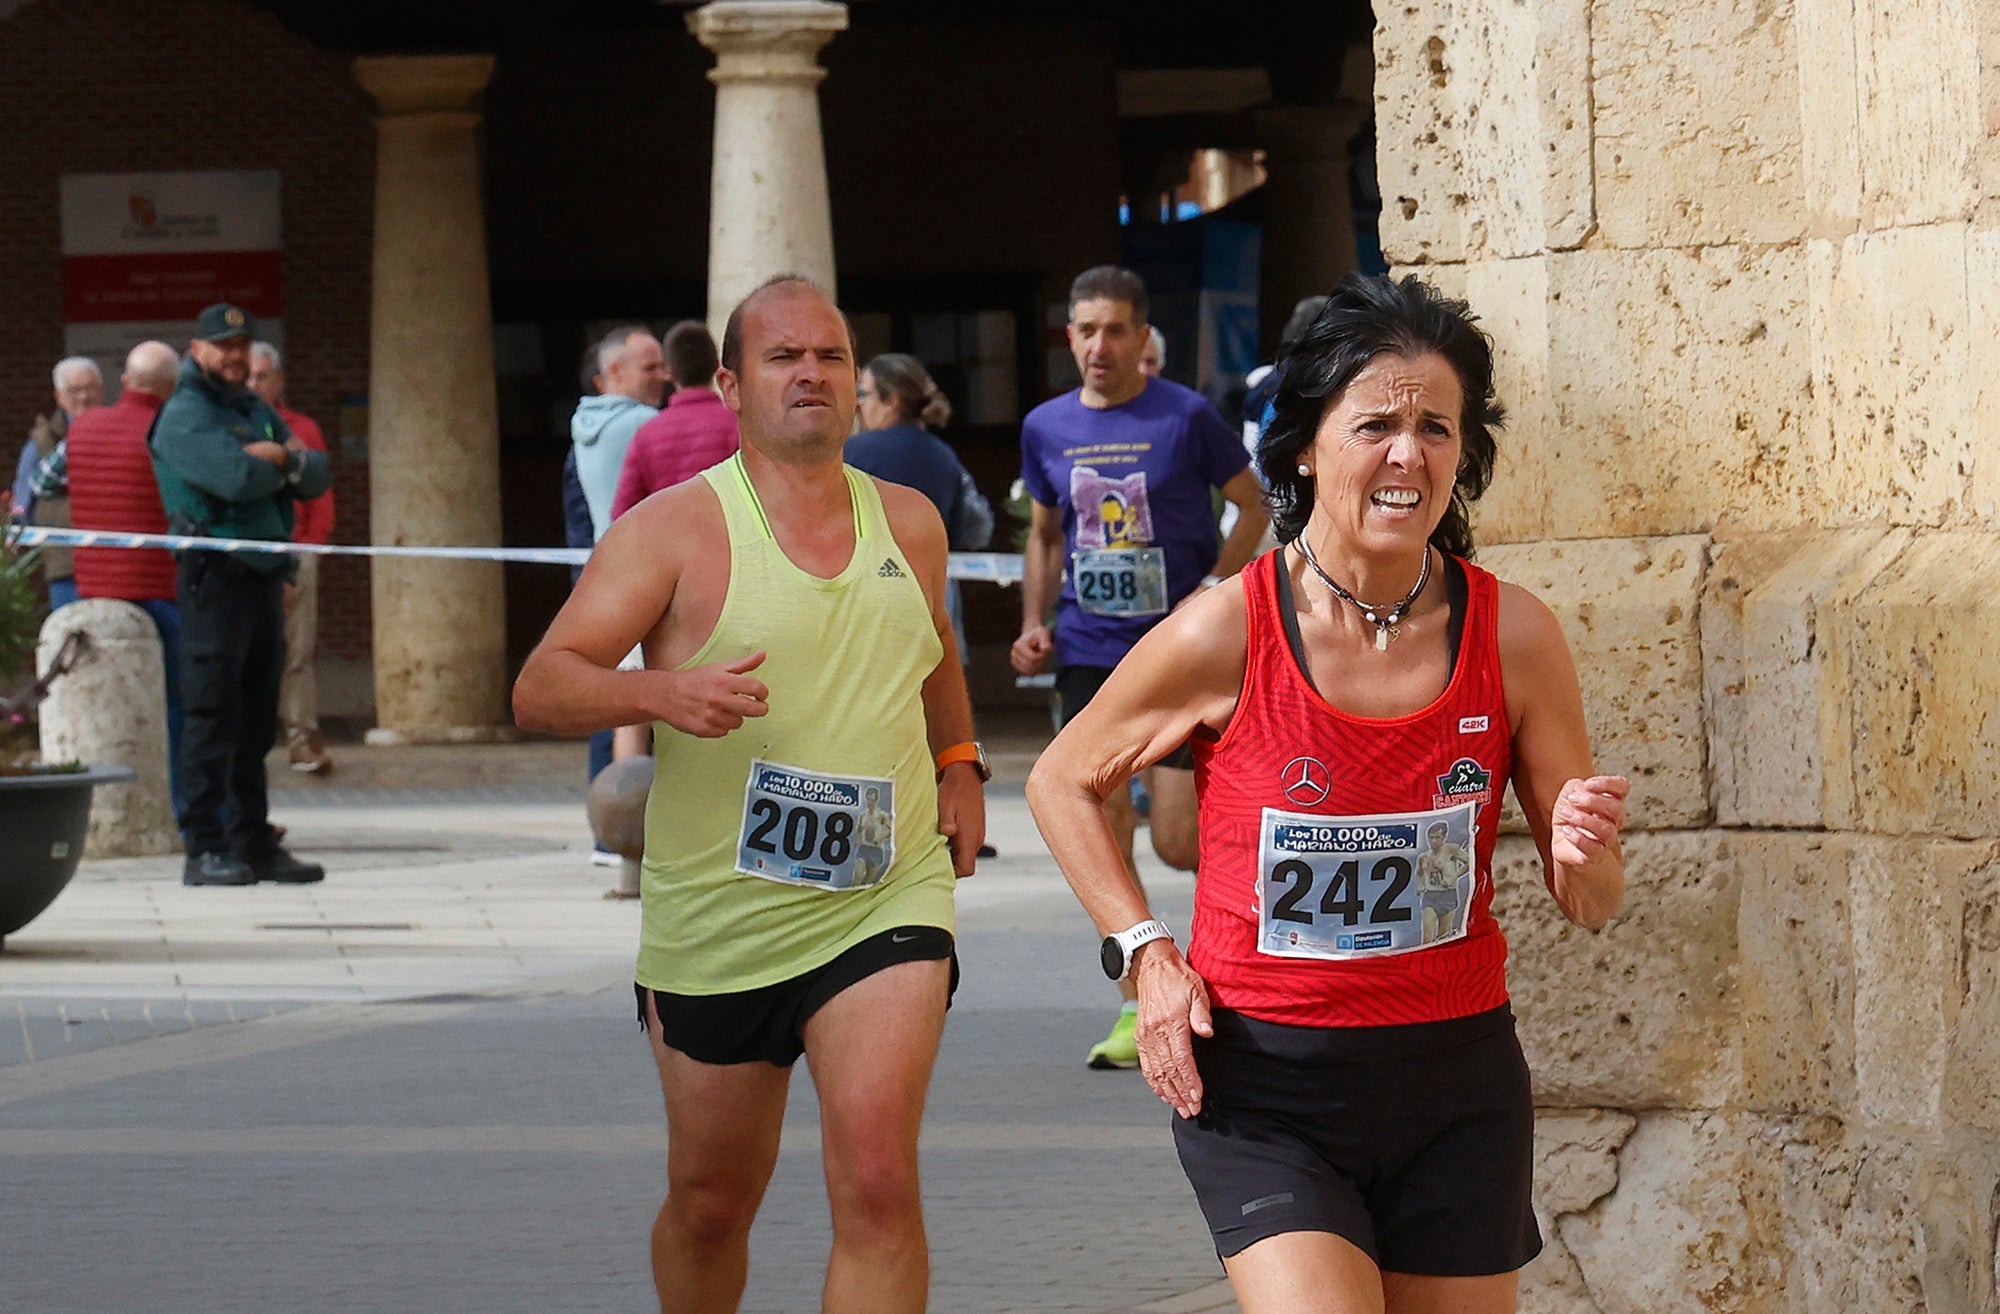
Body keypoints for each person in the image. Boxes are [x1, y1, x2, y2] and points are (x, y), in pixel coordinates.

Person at [1024, 273, 1629, 1314]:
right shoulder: (1230, 628)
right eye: (1375, 425)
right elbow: (1059, 779)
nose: (1407, 453)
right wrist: (1145, 955)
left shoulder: (1514, 634)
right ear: (1304, 445)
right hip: (1266, 1088)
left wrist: (1584, 855)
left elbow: (1592, 902)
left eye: (1435, 428)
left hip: (1457, 1087)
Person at [513, 275, 986, 1314]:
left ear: (858, 381)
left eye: (830, 356)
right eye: (783, 358)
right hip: (718, 913)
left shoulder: (908, 523)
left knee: (875, 1182)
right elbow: (541, 685)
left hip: (884, 891)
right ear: (729, 385)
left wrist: (958, 763)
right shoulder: (670, 530)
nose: (810, 374)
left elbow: (934, 650)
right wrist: (658, 689)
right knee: (711, 1200)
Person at [1011, 264, 1269, 1070]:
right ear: (1070, 337)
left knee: (1179, 840)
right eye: (1085, 329)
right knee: (1097, 814)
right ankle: (1137, 1001)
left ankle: (1218, 971)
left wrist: (1213, 589)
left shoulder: (1186, 416)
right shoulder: (1045, 425)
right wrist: (1032, 622)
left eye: (1115, 329)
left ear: (1141, 336)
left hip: (1180, 655)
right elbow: (1047, 533)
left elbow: (1254, 500)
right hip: (1090, 646)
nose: (1099, 344)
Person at [151, 303, 331, 888]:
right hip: (214, 577)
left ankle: (252, 841)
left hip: (261, 575)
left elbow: (317, 472)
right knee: (210, 713)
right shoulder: (184, 414)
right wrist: (277, 464)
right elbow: (232, 478)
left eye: (242, 344)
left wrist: (277, 456)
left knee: (256, 718)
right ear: (197, 350)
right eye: (222, 345)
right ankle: (203, 847)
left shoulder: (252, 407)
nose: (234, 355)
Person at [65, 340, 187, 816]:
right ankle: (183, 810)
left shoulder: (82, 428)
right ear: (171, 388)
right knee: (180, 709)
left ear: (125, 381)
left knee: (102, 710)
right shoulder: (169, 428)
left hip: (95, 592)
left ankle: (105, 810)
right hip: (161, 590)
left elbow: (43, 482)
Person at [845, 352, 993, 665]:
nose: (859, 404)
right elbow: (977, 529)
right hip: (933, 604)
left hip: (863, 611)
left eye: (864, 394)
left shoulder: (851, 454)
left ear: (893, 400)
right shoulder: (944, 457)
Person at [248, 341, 335, 775]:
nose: (253, 383)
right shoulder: (229, 427)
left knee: (297, 651)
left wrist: (310, 546)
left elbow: (320, 494)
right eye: (248, 375)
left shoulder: (301, 428)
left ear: (279, 380)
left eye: (262, 376)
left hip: (296, 549)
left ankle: (301, 737)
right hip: (247, 552)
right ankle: (249, 745)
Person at [612, 320, 740, 517]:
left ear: (669, 372)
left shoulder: (646, 435)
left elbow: (622, 513)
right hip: (728, 542)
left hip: (668, 543)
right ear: (716, 365)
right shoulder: (739, 425)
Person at [13, 355, 106, 608]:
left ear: (102, 390)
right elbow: (23, 500)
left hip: (113, 562)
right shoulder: (41, 442)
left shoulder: (114, 431)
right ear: (59, 396)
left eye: (90, 388)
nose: (84, 397)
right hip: (65, 565)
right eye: (75, 390)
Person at [572, 325, 665, 541]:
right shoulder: (645, 422)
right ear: (616, 371)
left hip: (605, 556)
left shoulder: (584, 422)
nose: (663, 376)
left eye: (662, 366)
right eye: (650, 368)